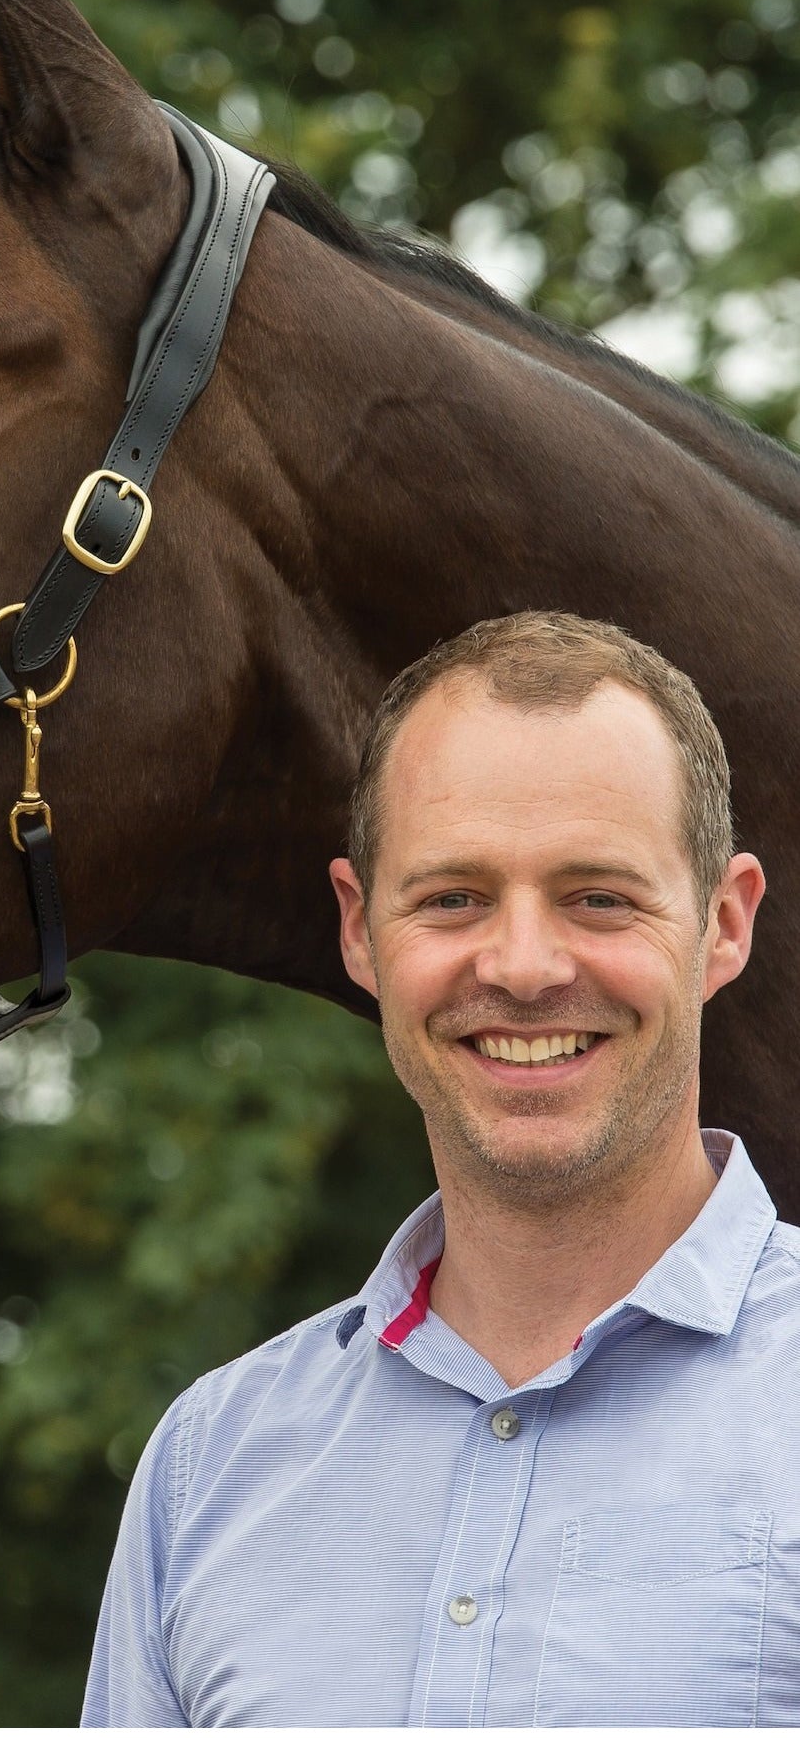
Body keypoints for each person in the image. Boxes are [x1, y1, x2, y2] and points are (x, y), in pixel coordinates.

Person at [83, 610, 799, 1727]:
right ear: (361, 930)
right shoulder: (208, 1470)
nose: (520, 966)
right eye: (453, 897)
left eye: (597, 896)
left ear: (722, 922)